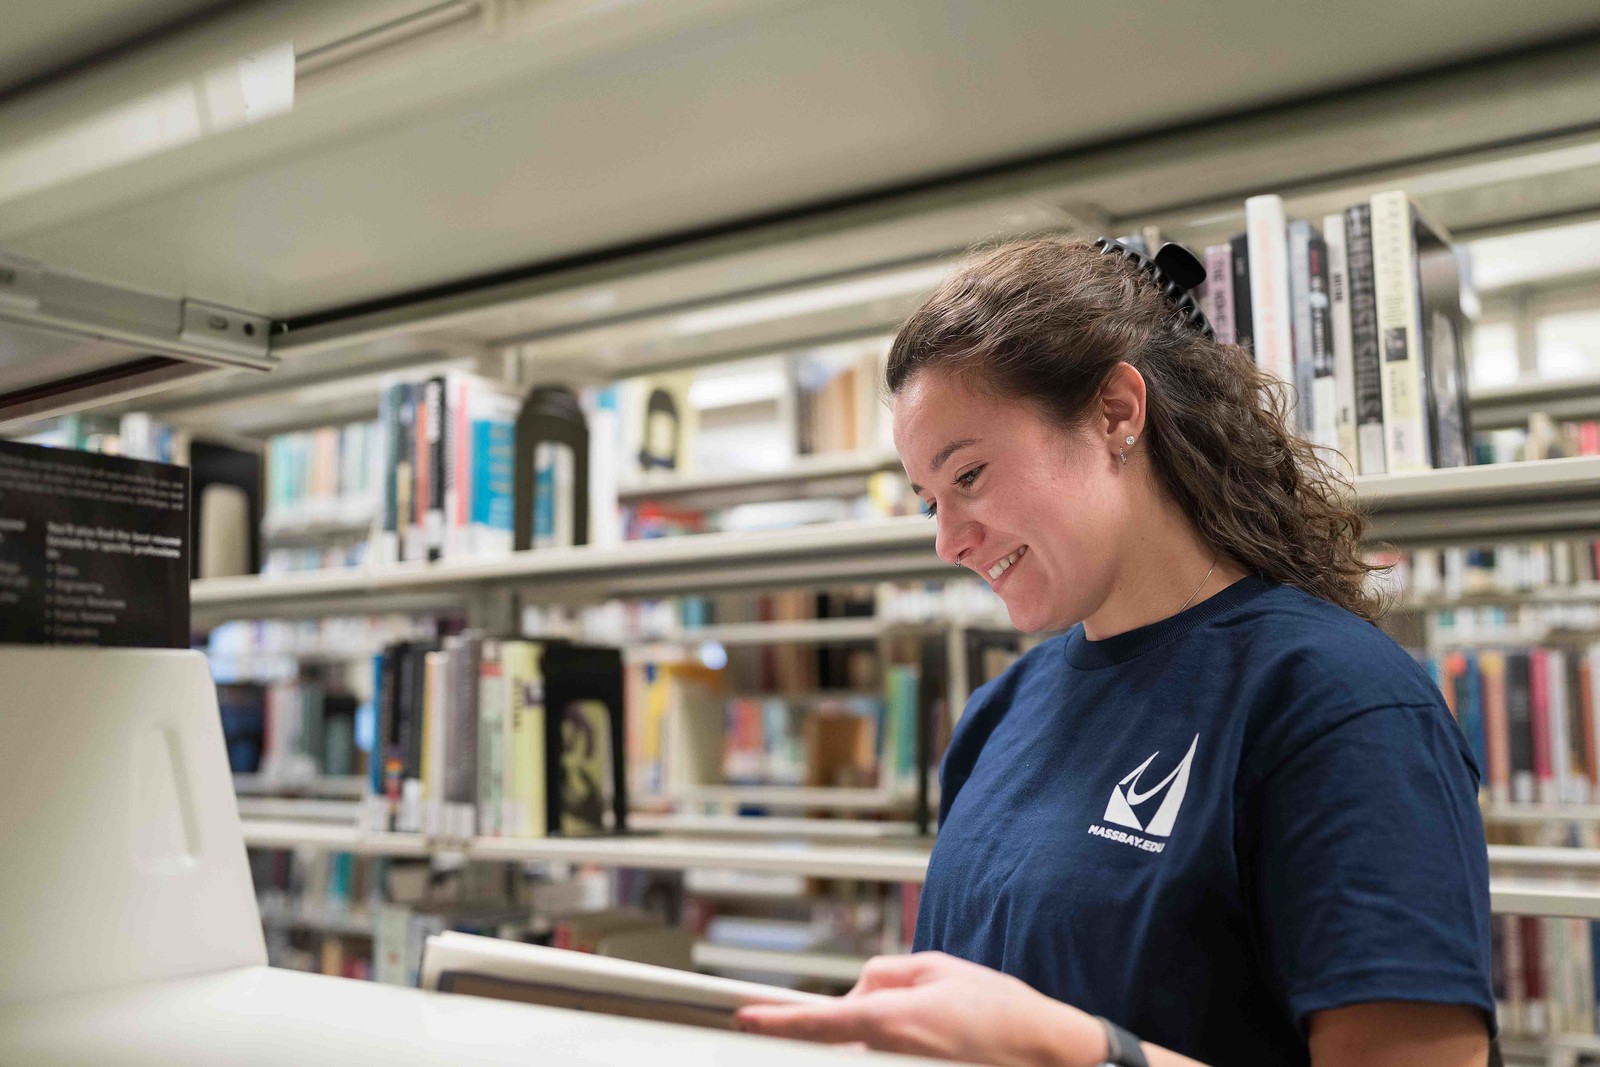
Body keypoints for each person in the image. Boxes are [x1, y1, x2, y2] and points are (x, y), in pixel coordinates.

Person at [735, 238, 1494, 1066]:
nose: (950, 540)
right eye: (929, 503)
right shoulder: (999, 716)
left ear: (1116, 413)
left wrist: (1078, 1048)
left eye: (972, 476)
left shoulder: (1337, 704)